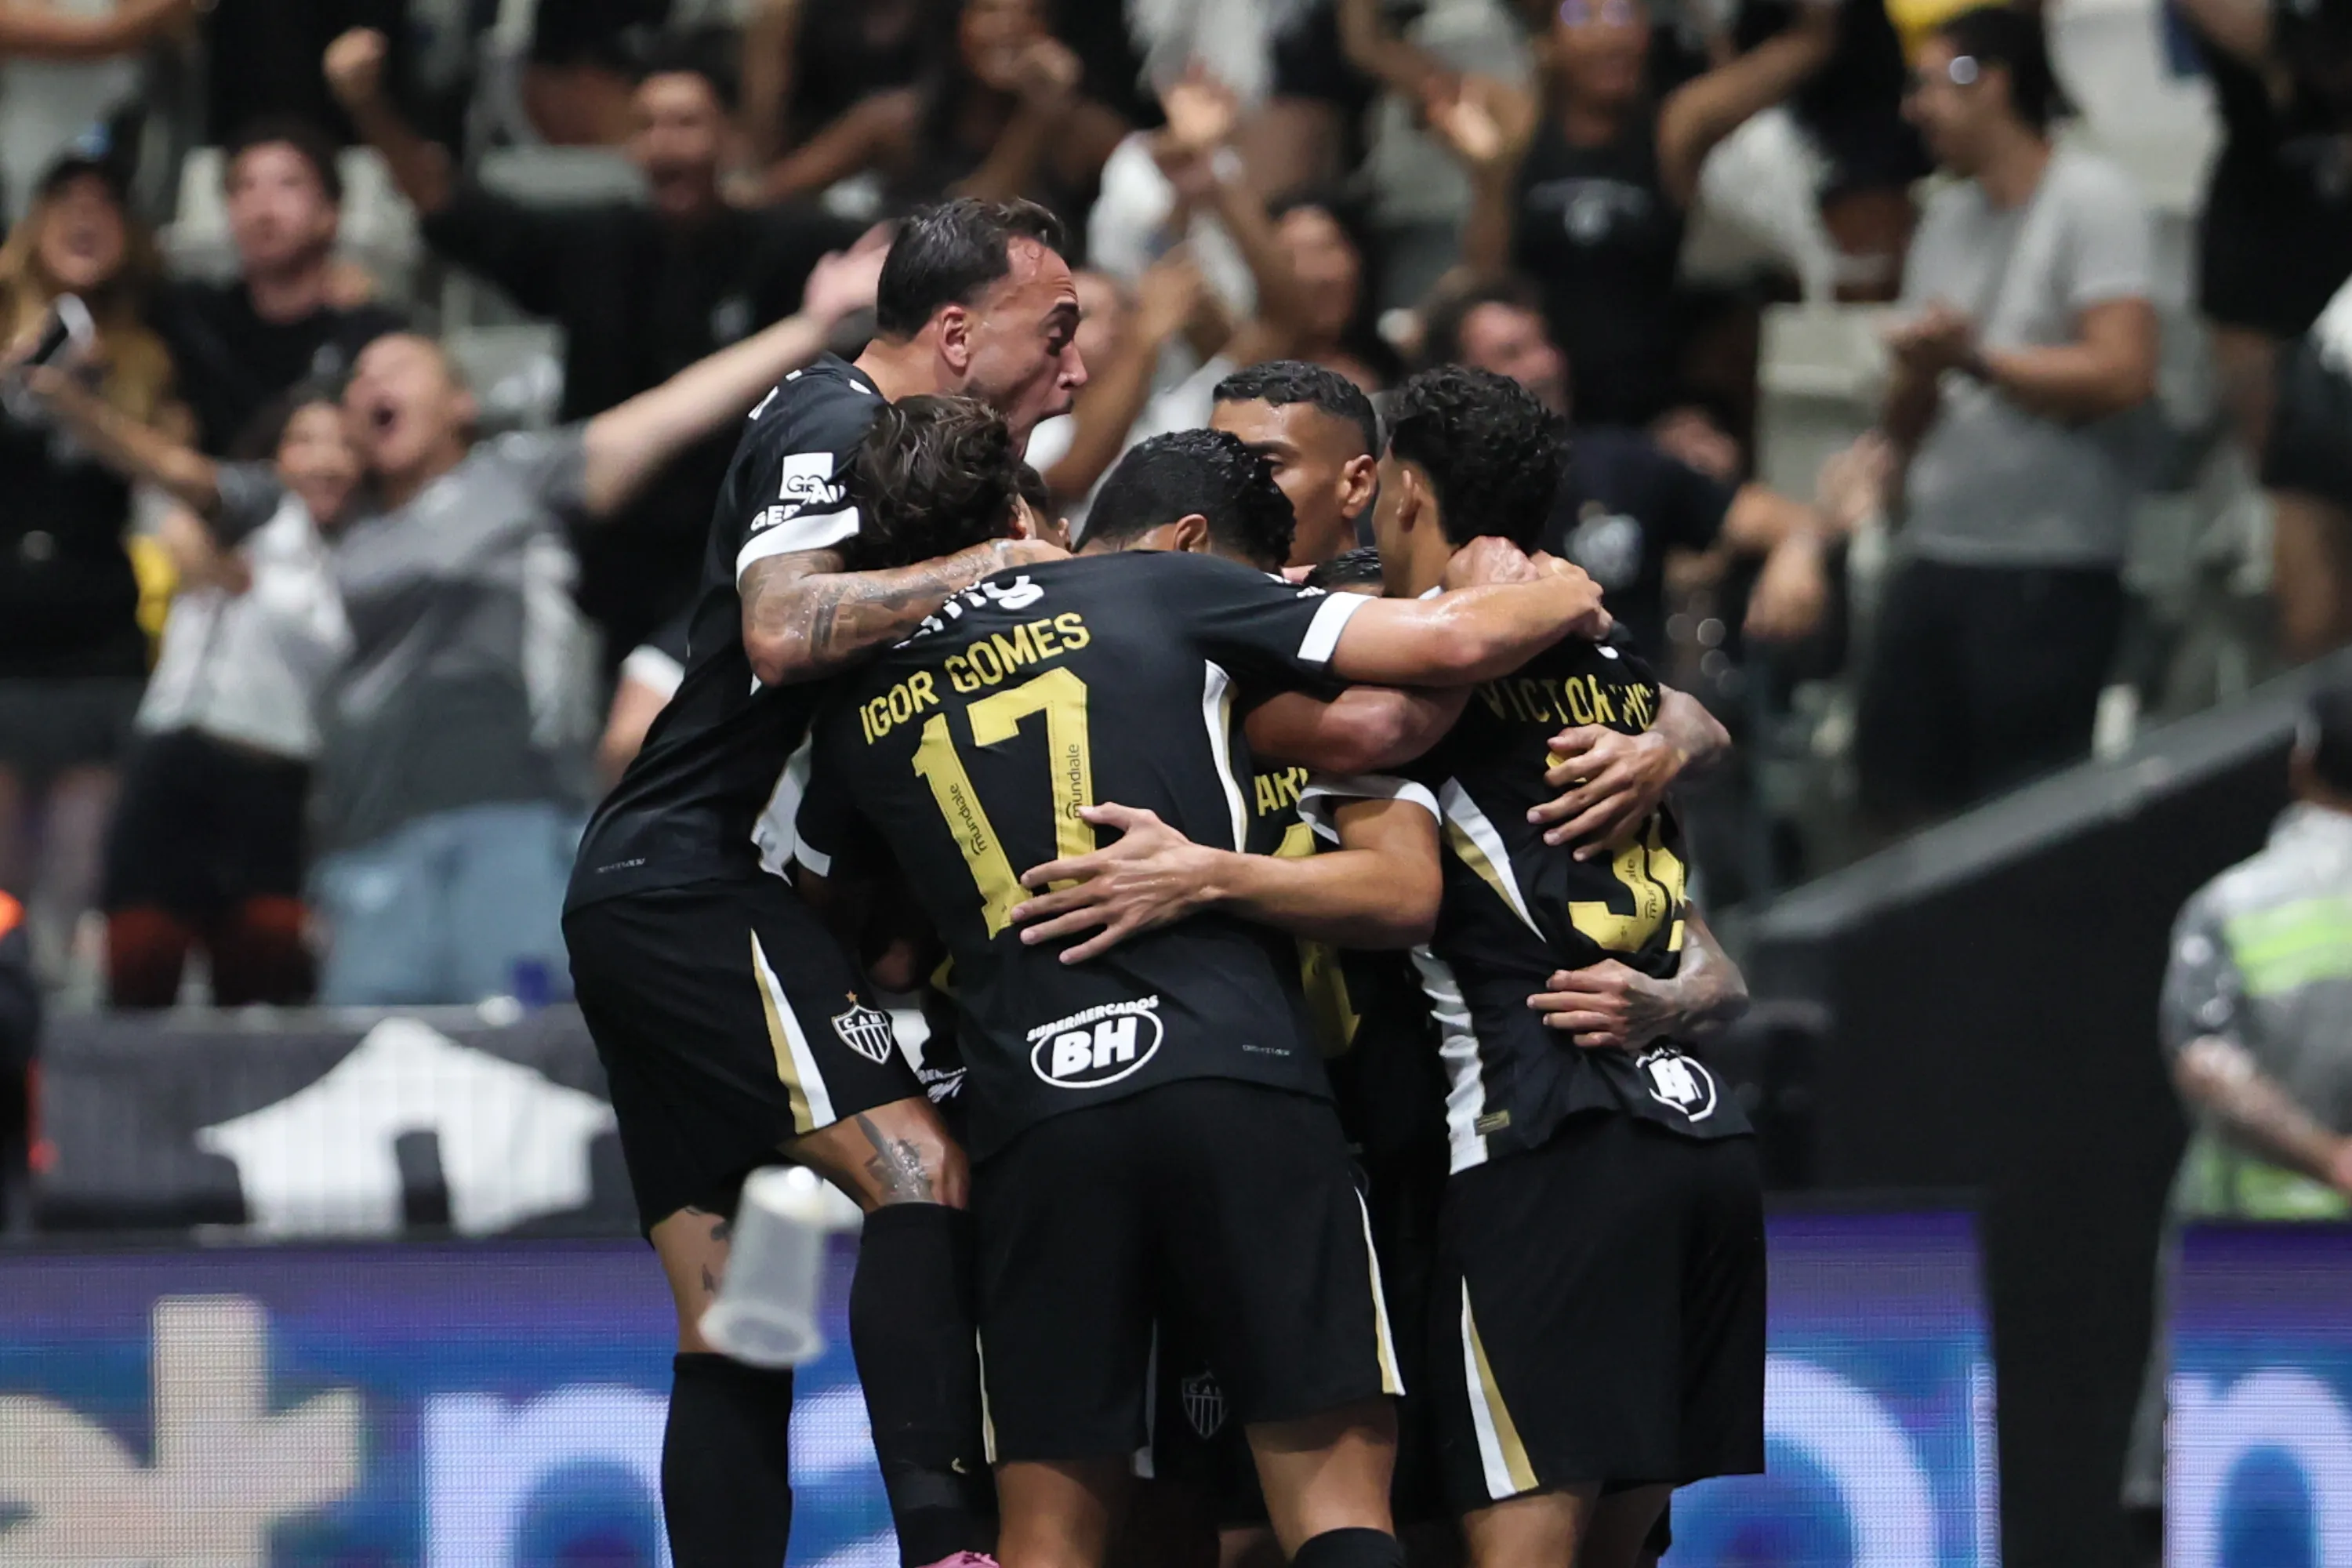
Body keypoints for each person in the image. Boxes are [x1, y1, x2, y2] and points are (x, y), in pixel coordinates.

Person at [795, 410, 1611, 1568]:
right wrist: (1563, 593)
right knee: (1333, 1507)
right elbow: (1431, 661)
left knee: (1049, 1532)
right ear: (1027, 517)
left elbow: (817, 909)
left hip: (1035, 1108)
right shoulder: (1149, 589)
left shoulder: (851, 716)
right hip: (1236, 1072)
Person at [561, 197, 1085, 1568]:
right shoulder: (828, 420)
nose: (1078, 370)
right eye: (1060, 331)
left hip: (662, 890)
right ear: (959, 335)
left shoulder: (877, 446)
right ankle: (948, 1545)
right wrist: (1000, 565)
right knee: (919, 1169)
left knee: (744, 1309)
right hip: (694, 883)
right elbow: (784, 628)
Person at [1351, 365, 1761, 1568]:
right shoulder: (1620, 678)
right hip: (1695, 1139)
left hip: (1543, 1138)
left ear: (1411, 490)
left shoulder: (1419, 669)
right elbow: (1704, 933)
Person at [326, 23, 873, 659]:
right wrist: (367, 106)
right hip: (606, 561)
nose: (666, 145)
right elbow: (449, 209)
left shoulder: (792, 247)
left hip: (747, 549)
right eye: (647, 126)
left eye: (687, 123)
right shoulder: (594, 245)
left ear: (728, 135)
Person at [1859, 4, 2159, 826]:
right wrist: (1915, 383)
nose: (1913, 110)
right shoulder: (1947, 218)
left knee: (2019, 813)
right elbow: (1918, 395)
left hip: (2045, 567)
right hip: (1939, 550)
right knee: (1900, 798)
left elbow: (2124, 368)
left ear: (1987, 82)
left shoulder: (2091, 199)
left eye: (1928, 86)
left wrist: (1974, 358)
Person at [26, 377, 356, 1007]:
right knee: (142, 966)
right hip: (179, 765)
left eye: (343, 444)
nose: (325, 460)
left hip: (277, 789)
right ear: (273, 456)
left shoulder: (366, 545)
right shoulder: (259, 510)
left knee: (264, 979)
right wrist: (71, 404)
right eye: (305, 441)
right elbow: (173, 474)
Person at [2122, 677, 2352, 1526]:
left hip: (2249, 1260)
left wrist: (2327, 1157)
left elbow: (2206, 1061)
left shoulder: (2235, 903)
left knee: (2234, 1504)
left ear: (2302, 762)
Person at [1427, 0, 1837, 427]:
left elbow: (1810, 42)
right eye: (1581, 16)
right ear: (1548, 43)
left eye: (1624, 15)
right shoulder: (1523, 126)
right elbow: (1485, 285)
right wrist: (1489, 177)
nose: (1609, 34)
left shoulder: (1673, 130)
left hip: (1651, 407)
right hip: (1537, 407)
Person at [1419, 274, 1838, 655]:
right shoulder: (1424, 499)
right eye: (1513, 353)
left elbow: (1778, 518)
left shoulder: (1623, 463)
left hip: (1634, 719)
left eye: (1545, 344)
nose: (1545, 366)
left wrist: (1799, 550)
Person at [0, 152, 180, 984]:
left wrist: (84, 396)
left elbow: (177, 475)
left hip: (98, 652)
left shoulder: (148, 356)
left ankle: (65, 1072)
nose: (86, 217)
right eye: (65, 200)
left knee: (75, 897)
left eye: (107, 203)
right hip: (5, 651)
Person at [150, 116, 405, 459]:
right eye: (244, 187)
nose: (263, 209)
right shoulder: (192, 320)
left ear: (331, 211)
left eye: (288, 185)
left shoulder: (373, 336)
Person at [1208, 358, 1380, 568]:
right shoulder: (1168, 594)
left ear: (1356, 486)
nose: (1228, 490)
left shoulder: (1420, 600)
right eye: (1216, 464)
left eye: (1266, 466)